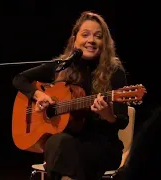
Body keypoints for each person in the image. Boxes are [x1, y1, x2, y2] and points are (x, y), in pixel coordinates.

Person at [12, 11, 129, 180]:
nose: (91, 40)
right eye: (85, 35)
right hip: (66, 142)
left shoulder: (115, 72)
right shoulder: (61, 67)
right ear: (75, 40)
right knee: (58, 143)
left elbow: (123, 120)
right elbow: (19, 79)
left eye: (98, 36)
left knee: (60, 149)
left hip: (102, 146)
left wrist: (108, 116)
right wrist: (38, 95)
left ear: (105, 42)